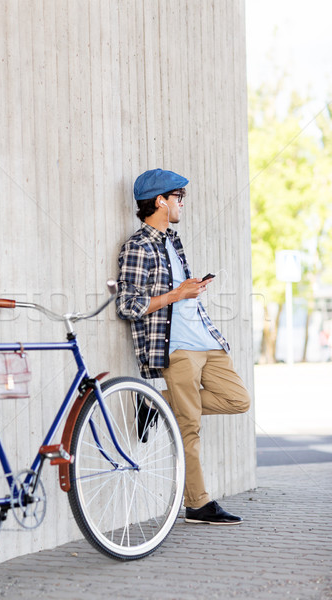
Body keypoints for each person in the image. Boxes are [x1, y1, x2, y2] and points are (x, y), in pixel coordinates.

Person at [116, 168, 251, 525]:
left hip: (207, 340)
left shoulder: (172, 241)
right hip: (176, 348)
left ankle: (156, 403)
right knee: (189, 425)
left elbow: (176, 293)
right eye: (179, 197)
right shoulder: (137, 246)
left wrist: (189, 289)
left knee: (239, 400)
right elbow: (128, 304)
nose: (182, 203)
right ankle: (198, 503)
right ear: (160, 201)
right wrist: (178, 293)